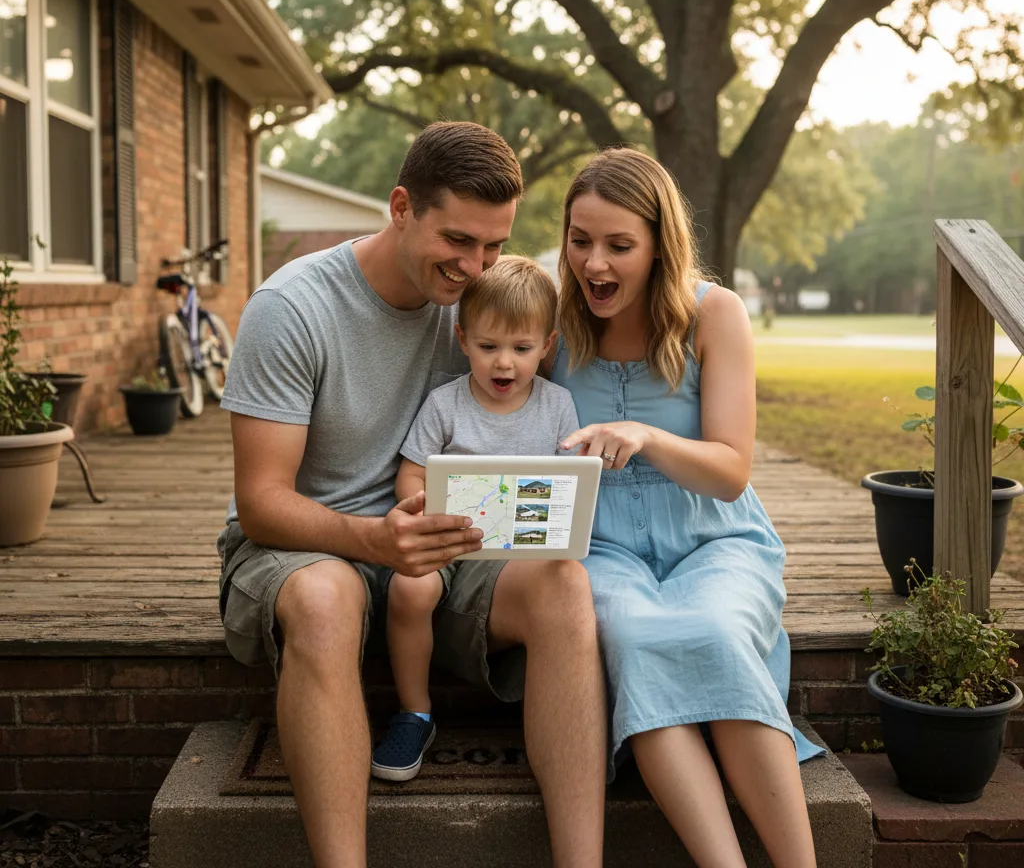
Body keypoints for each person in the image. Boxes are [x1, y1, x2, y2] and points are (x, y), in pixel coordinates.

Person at [216, 123, 606, 868]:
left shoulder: (475, 306)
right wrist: (370, 541)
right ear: (401, 206)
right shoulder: (293, 308)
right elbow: (262, 501)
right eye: (459, 240)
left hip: (441, 545)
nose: (475, 268)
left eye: (493, 246)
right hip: (306, 545)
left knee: (564, 584)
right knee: (328, 603)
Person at [549, 148, 823, 868]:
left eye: (619, 246)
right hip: (600, 544)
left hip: (715, 538)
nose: (594, 265)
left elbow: (731, 472)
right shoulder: (553, 316)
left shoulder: (715, 313)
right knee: (638, 637)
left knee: (712, 631)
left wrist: (645, 434)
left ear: (659, 244)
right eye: (580, 241)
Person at [371, 255, 581, 781]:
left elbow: (565, 487)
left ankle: (553, 728)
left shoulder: (557, 406)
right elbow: (411, 476)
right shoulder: (445, 405)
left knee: (566, 588)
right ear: (463, 340)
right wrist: (422, 508)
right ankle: (414, 712)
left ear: (547, 345)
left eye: (521, 348)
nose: (503, 364)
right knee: (408, 589)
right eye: (488, 347)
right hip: (447, 540)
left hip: (514, 556)